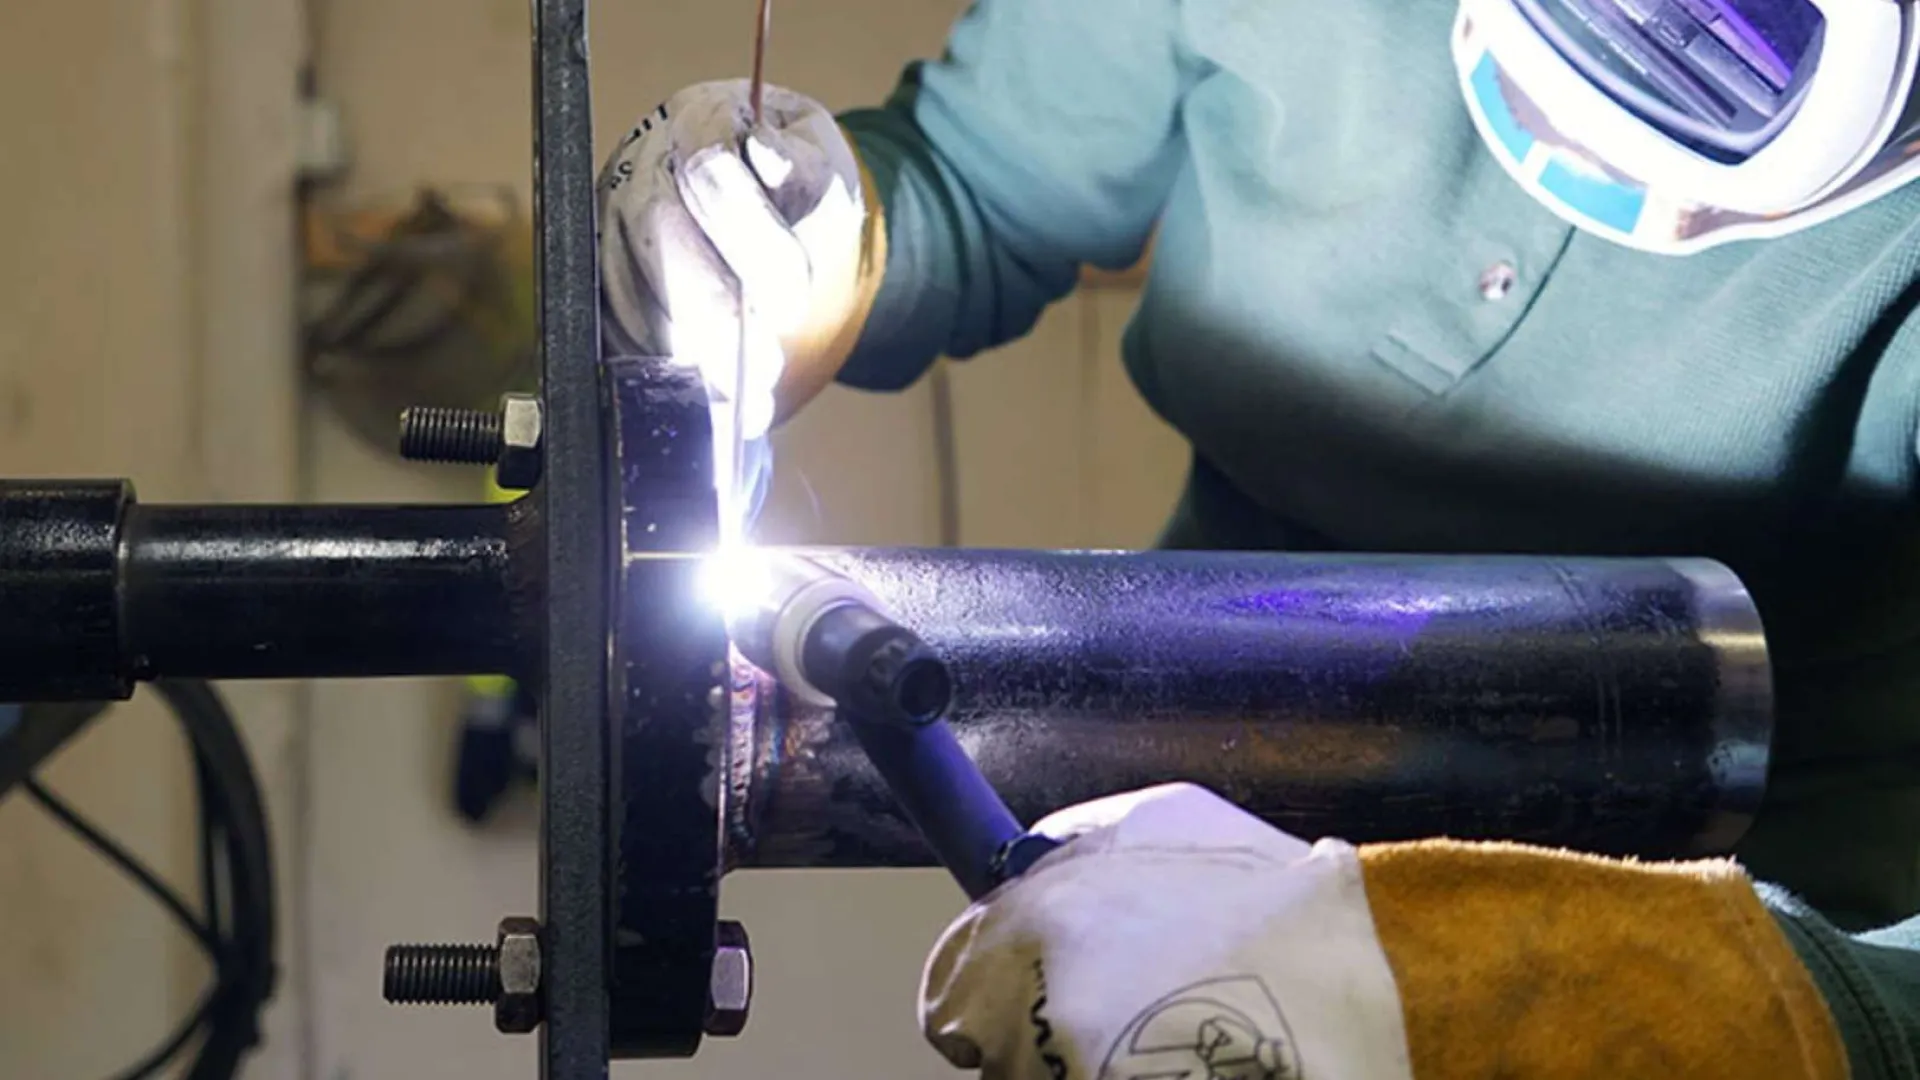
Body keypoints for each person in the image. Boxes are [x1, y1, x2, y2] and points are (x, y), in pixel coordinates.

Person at [598, 1, 1920, 1075]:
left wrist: (1710, 1015)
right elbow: (978, 180)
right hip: (1198, 725)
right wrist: (816, 243)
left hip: (1770, 881)